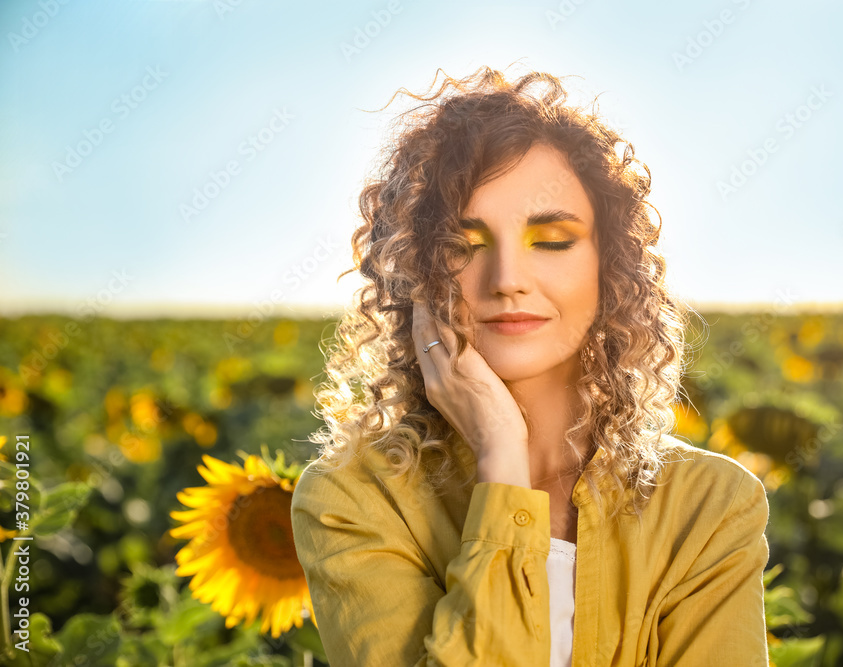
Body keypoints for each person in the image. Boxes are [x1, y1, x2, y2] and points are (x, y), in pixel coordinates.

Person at [290, 65, 771, 666]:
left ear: (609, 264)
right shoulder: (355, 499)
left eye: (551, 240)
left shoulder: (707, 505)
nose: (509, 281)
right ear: (415, 273)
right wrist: (502, 457)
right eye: (462, 247)